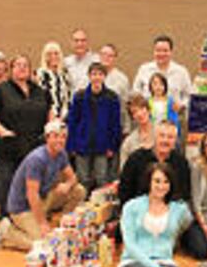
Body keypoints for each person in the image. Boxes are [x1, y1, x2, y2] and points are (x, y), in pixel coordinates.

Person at [0, 120, 85, 251]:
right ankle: (7, 234)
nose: (60, 140)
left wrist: (67, 185)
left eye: (63, 137)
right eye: (56, 136)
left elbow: (73, 178)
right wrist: (42, 224)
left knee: (78, 191)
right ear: (47, 138)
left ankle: (64, 226)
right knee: (43, 244)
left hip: (43, 198)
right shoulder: (37, 159)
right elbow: (32, 194)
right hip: (22, 208)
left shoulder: (61, 154)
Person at [0, 54, 51, 218]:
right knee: (7, 182)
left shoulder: (39, 91)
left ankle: (31, 214)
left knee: (32, 182)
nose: (22, 68)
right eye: (18, 65)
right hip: (7, 147)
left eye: (25, 65)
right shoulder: (0, 90)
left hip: (33, 146)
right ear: (11, 70)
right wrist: (1, 131)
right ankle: (7, 217)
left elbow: (49, 111)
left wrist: (51, 130)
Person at [117, 162, 193, 267]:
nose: (161, 186)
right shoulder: (132, 207)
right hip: (133, 264)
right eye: (157, 181)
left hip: (166, 263)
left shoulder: (178, 209)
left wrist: (161, 266)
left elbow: (185, 223)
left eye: (166, 182)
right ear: (149, 182)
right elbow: (130, 244)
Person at [66, 62, 122, 191]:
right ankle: (80, 206)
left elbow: (115, 124)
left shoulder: (112, 97)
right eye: (94, 74)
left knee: (101, 178)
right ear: (89, 76)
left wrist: (112, 146)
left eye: (100, 74)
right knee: (82, 179)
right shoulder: (79, 96)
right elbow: (72, 122)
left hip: (103, 146)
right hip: (82, 144)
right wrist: (72, 145)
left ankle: (102, 209)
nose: (97, 77)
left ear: (104, 76)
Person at [119, 121, 190, 207]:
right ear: (154, 137)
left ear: (175, 140)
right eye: (162, 135)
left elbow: (184, 194)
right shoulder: (136, 159)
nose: (165, 140)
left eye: (170, 137)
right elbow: (125, 191)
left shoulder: (181, 162)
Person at [131, 35, 192, 112]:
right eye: (158, 50)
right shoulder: (144, 69)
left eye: (165, 50)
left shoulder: (181, 71)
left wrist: (182, 105)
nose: (161, 54)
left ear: (171, 52)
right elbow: (135, 93)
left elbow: (189, 95)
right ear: (154, 51)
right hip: (148, 117)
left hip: (173, 117)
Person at [99, 43, 131, 135]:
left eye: (110, 56)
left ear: (115, 58)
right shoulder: (92, 76)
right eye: (104, 55)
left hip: (115, 126)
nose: (106, 58)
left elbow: (126, 106)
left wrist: (126, 128)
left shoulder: (122, 79)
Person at [35, 41, 71, 121]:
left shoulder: (65, 74)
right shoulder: (40, 74)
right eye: (49, 54)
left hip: (64, 116)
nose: (53, 56)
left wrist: (63, 115)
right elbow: (42, 97)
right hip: (47, 116)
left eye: (56, 53)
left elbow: (67, 96)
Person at [119, 94, 154, 169]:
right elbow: (124, 170)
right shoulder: (128, 143)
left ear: (149, 110)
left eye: (142, 108)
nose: (140, 114)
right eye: (135, 112)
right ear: (133, 118)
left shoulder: (162, 134)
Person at [147, 72, 181, 139]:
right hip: (152, 133)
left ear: (165, 86)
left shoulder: (170, 101)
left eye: (161, 84)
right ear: (150, 86)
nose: (158, 87)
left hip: (167, 133)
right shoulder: (147, 102)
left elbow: (174, 118)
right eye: (155, 84)